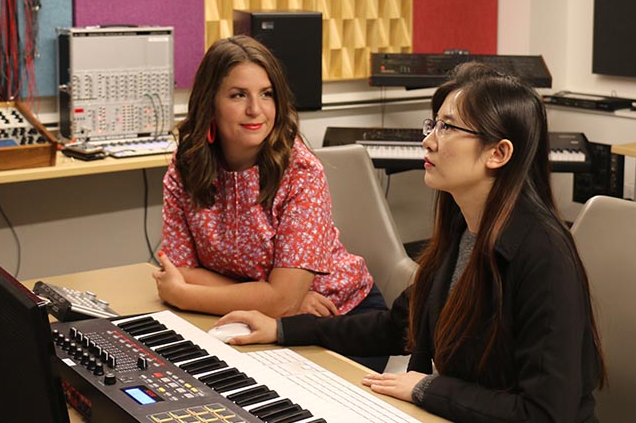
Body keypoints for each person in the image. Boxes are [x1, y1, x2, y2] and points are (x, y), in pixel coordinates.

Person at [214, 62, 606, 423]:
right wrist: (282, 330)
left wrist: (425, 387)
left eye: (448, 128)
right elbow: (398, 326)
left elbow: (545, 413)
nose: (429, 142)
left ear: (498, 153)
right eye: (433, 125)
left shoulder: (545, 255)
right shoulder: (464, 231)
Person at [152, 36, 387, 367]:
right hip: (266, 315)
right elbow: (182, 270)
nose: (255, 110)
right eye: (238, 95)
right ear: (210, 103)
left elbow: (184, 283)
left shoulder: (301, 170)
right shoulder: (186, 165)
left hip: (339, 320)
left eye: (267, 94)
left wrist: (183, 294)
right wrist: (275, 297)